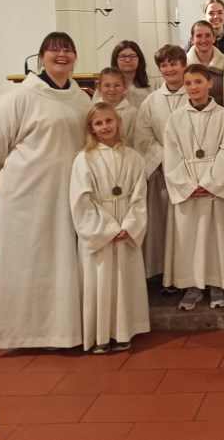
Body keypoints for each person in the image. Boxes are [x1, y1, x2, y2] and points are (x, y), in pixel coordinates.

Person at [0, 31, 91, 349]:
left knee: (61, 263)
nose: (62, 55)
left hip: (67, 194)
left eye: (68, 50)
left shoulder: (81, 98)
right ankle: (23, 333)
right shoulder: (19, 97)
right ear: (41, 57)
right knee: (29, 262)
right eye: (54, 50)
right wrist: (0, 184)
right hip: (26, 196)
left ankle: (63, 332)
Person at [70, 103, 150, 354]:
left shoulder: (133, 156)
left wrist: (128, 226)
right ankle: (100, 335)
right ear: (91, 129)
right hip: (100, 228)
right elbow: (81, 200)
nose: (105, 127)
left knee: (124, 282)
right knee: (100, 281)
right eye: (99, 123)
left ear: (118, 123)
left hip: (126, 223)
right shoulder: (84, 159)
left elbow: (139, 196)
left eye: (109, 121)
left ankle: (124, 332)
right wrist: (107, 229)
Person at [162, 64, 224, 310]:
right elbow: (170, 155)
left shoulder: (223, 116)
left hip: (213, 187)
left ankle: (216, 284)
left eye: (198, 82)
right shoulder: (176, 118)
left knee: (216, 237)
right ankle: (192, 286)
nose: (193, 87)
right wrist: (187, 185)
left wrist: (209, 183)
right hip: (187, 187)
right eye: (188, 83)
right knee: (189, 238)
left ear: (210, 83)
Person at [133, 45, 188, 282]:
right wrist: (168, 159)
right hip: (163, 174)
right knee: (163, 226)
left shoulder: (196, 94)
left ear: (183, 65)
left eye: (173, 63)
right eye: (164, 65)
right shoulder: (151, 102)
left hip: (191, 173)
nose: (169, 68)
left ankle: (186, 275)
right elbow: (143, 138)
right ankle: (164, 273)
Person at [186, 20, 224, 104]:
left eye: (208, 35)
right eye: (199, 36)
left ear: (214, 38)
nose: (203, 40)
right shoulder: (184, 65)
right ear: (192, 39)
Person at [96, 67, 137, 145]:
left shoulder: (132, 112)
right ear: (99, 87)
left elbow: (134, 140)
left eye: (117, 85)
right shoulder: (92, 110)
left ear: (124, 86)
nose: (112, 89)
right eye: (107, 85)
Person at [109, 40, 153, 108]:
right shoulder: (106, 83)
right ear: (115, 59)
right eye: (123, 56)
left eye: (132, 56)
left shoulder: (152, 83)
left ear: (140, 59)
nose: (127, 60)